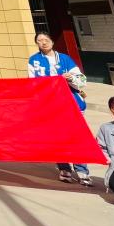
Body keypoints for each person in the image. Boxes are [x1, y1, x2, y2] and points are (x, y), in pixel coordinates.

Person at [27, 30, 92, 186]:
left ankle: (82, 170)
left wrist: (70, 79)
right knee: (58, 137)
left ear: (52, 41)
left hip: (71, 103)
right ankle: (64, 168)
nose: (43, 42)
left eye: (46, 39)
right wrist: (56, 79)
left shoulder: (65, 59)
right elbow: (33, 84)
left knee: (76, 137)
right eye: (39, 40)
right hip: (50, 104)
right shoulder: (34, 60)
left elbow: (82, 81)